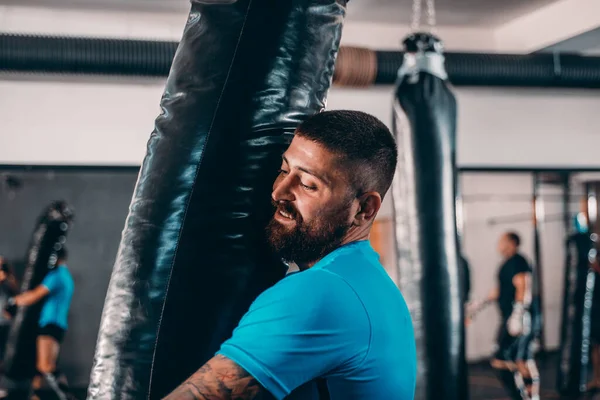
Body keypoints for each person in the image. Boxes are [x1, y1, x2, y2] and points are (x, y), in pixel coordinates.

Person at [164, 110, 416, 399]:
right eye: (284, 171)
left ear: (364, 209)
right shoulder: (368, 282)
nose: (279, 192)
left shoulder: (320, 293)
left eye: (308, 184)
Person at [466, 232, 540, 400]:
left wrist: (519, 313)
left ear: (512, 243)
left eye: (502, 242)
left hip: (519, 318)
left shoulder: (518, 261)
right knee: (520, 360)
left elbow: (523, 286)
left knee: (504, 360)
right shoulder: (506, 265)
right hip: (512, 317)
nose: (499, 245)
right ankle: (529, 396)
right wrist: (479, 304)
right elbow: (499, 290)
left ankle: (524, 396)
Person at [4, 247, 74, 400]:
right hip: (56, 324)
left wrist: (15, 300)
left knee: (45, 366)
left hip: (50, 324)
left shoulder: (56, 276)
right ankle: (35, 396)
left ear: (58, 257)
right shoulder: (66, 276)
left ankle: (67, 397)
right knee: (40, 366)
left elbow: (35, 295)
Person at [0, 257, 18, 365]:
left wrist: (8, 275)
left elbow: (17, 295)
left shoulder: (8, 283)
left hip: (5, 324)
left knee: (2, 355)